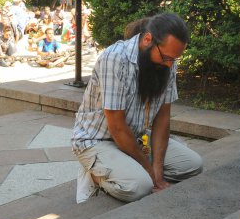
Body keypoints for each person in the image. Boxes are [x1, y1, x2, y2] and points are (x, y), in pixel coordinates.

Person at [72, 13, 203, 204]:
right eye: (166, 57)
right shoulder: (115, 58)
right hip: (96, 140)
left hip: (135, 137)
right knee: (139, 187)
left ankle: (129, 169)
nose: (169, 64)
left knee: (192, 165)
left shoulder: (169, 60)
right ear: (148, 39)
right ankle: (94, 176)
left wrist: (157, 168)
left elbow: (163, 117)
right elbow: (116, 127)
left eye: (174, 59)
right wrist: (151, 174)